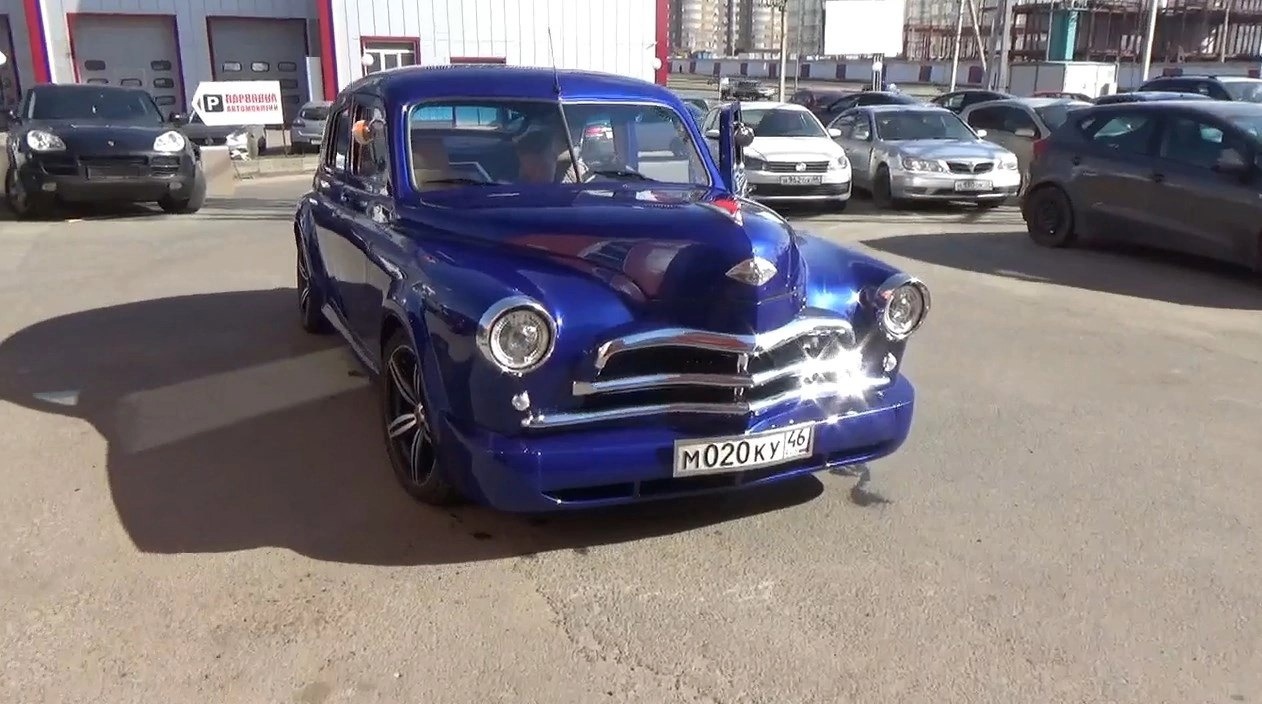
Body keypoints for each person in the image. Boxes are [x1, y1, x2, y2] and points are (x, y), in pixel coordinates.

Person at [515, 128, 585, 183]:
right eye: (531, 171)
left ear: (555, 159)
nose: (537, 176)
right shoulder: (513, 190)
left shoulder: (574, 183)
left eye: (543, 168)